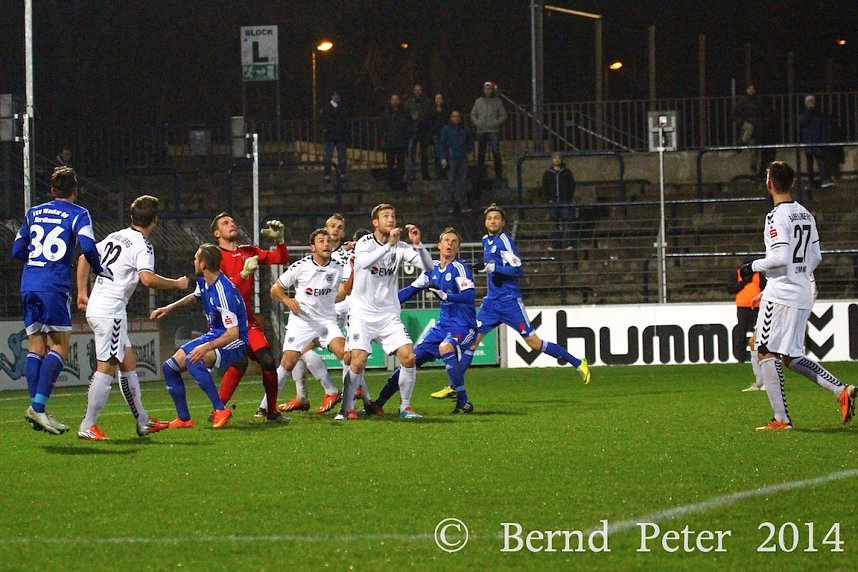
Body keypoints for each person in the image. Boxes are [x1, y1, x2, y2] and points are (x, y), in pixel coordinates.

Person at [431, 204, 590, 399]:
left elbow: (517, 270)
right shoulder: (485, 240)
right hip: (491, 303)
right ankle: (455, 386)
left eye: (496, 218)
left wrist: (491, 267)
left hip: (509, 302)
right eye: (489, 218)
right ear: (485, 222)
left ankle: (577, 362)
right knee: (471, 342)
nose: (493, 221)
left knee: (533, 343)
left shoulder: (505, 241)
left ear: (503, 222)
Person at [741, 161, 855, 430]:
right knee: (791, 356)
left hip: (782, 293)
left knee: (764, 351)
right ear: (792, 183)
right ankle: (841, 390)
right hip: (801, 291)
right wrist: (794, 278)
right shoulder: (805, 214)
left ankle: (781, 419)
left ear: (769, 184)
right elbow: (815, 257)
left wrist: (751, 267)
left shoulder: (775, 217)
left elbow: (779, 257)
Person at [75, 195, 189, 440]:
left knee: (128, 363)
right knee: (105, 368)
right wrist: (176, 284)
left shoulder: (115, 236)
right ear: (155, 221)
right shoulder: (143, 245)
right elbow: (147, 279)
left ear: (132, 217)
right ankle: (87, 425)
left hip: (99, 306)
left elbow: (84, 257)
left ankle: (143, 421)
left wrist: (82, 292)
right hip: (111, 311)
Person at [11, 166, 110, 435]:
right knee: (60, 345)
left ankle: (39, 410)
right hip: (53, 286)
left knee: (36, 346)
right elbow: (88, 247)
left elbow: (16, 249)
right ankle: (39, 408)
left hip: (29, 284)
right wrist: (100, 270)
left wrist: (36, 262)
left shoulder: (33, 213)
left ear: (52, 190)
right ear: (75, 191)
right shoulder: (79, 213)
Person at [341, 203, 432, 420]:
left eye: (393, 215)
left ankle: (406, 408)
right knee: (358, 360)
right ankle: (346, 408)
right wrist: (388, 246)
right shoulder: (365, 242)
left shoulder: (400, 246)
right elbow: (363, 262)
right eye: (385, 216)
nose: (390, 219)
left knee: (409, 357)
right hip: (362, 314)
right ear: (375, 222)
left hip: (388, 315)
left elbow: (428, 268)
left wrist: (418, 245)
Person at [377, 228, 477, 414]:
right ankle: (379, 403)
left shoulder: (460, 268)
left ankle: (463, 401)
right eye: (446, 240)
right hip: (442, 327)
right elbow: (409, 291)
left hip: (464, 326)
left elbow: (470, 296)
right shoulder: (431, 270)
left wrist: (447, 297)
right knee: (410, 359)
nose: (449, 244)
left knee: (445, 347)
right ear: (439, 245)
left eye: (454, 242)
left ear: (458, 248)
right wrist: (383, 303)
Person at [150, 244, 250, 429]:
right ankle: (184, 419)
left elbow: (233, 333)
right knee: (169, 368)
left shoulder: (224, 292)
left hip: (235, 341)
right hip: (216, 334)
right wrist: (169, 308)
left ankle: (220, 409)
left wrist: (206, 347)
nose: (193, 261)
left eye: (196, 258)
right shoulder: (204, 281)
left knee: (194, 359)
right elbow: (195, 297)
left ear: (203, 264)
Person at [211, 212, 289, 423]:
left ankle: (271, 412)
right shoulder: (213, 257)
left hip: (247, 321)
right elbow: (220, 291)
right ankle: (218, 409)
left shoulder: (249, 251)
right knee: (239, 363)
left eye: (232, 221)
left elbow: (281, 258)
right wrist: (243, 274)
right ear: (217, 233)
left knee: (268, 361)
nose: (232, 224)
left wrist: (280, 241)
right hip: (225, 322)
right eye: (225, 223)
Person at [269, 229, 349, 416]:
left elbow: (343, 291)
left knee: (347, 355)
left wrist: (330, 300)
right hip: (302, 322)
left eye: (328, 241)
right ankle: (266, 406)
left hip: (327, 321)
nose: (326, 244)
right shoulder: (301, 266)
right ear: (313, 247)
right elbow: (275, 289)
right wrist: (287, 300)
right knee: (288, 361)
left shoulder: (339, 266)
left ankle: (348, 403)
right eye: (322, 241)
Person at [470, 81, 507, 193]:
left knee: (496, 152)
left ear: (492, 90)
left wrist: (495, 123)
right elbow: (473, 114)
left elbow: (503, 115)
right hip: (481, 131)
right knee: (481, 153)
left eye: (489, 89)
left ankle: (498, 173)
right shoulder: (478, 101)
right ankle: (480, 174)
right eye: (486, 89)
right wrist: (477, 123)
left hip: (493, 131)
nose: (487, 91)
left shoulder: (497, 102)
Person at [438, 110, 473, 214]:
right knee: (451, 182)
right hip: (451, 159)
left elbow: (469, 141)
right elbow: (442, 144)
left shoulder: (464, 129)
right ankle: (450, 205)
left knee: (463, 182)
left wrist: (467, 150)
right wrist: (443, 157)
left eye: (457, 116)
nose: (456, 118)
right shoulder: (446, 129)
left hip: (462, 158)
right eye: (454, 116)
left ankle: (464, 205)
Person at [540, 152, 576, 250]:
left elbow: (571, 186)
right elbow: (545, 187)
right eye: (554, 158)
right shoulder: (548, 173)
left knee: (567, 222)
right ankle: (556, 244)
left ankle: (568, 243)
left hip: (564, 201)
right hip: (553, 201)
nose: (556, 160)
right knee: (554, 223)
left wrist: (568, 198)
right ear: (552, 160)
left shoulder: (567, 172)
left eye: (558, 158)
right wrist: (548, 199)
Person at [378, 94, 412, 193]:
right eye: (393, 99)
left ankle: (400, 184)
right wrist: (386, 137)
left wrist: (405, 138)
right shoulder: (386, 113)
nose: (395, 101)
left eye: (396, 99)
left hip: (401, 144)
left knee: (401, 165)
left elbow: (409, 128)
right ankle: (392, 184)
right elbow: (381, 127)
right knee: (390, 165)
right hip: (390, 144)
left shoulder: (404, 113)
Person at [799, 95, 834, 189]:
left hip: (818, 141)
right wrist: (809, 112)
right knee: (809, 163)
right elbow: (802, 122)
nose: (811, 103)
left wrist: (824, 140)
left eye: (812, 101)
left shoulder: (819, 115)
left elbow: (823, 128)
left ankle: (824, 179)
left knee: (821, 161)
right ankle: (811, 182)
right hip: (809, 141)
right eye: (809, 101)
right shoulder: (804, 114)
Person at [733, 83, 762, 174]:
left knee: (753, 147)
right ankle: (741, 142)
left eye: (753, 89)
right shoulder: (742, 102)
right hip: (746, 124)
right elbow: (734, 114)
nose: (751, 90)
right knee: (750, 128)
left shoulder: (756, 101)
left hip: (754, 126)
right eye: (750, 89)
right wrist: (741, 122)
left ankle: (753, 168)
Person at [320, 91, 350, 183]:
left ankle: (339, 174)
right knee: (329, 156)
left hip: (338, 135)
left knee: (340, 157)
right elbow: (321, 121)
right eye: (335, 95)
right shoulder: (328, 108)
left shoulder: (339, 108)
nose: (337, 97)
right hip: (332, 135)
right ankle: (329, 174)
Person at [405, 84, 432, 181]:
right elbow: (406, 116)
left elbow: (428, 115)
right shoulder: (409, 103)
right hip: (413, 131)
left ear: (421, 91)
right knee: (411, 152)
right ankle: (411, 174)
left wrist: (421, 120)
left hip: (424, 131)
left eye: (419, 90)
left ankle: (425, 174)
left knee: (424, 154)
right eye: (416, 90)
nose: (417, 91)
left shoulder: (426, 101)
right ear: (413, 91)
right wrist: (411, 120)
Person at [428, 93, 449, 179]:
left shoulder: (446, 110)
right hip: (436, 134)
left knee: (444, 153)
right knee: (437, 154)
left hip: (444, 134)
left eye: (440, 98)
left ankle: (444, 172)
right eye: (437, 98)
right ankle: (438, 173)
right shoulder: (432, 110)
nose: (439, 100)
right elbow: (430, 121)